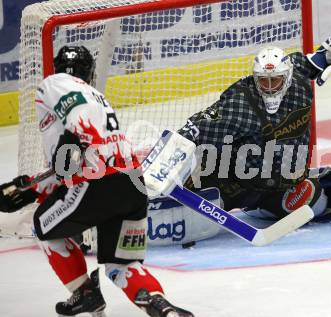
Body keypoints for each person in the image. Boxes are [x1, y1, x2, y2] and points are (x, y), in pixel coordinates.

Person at [0, 46, 193, 317]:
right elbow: (70, 164)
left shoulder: (54, 83)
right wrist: (31, 187)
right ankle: (161, 306)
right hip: (132, 186)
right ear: (90, 73)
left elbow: (77, 133)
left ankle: (85, 292)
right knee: (121, 265)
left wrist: (73, 141)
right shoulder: (99, 97)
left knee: (43, 226)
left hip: (97, 184)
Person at [175, 29, 331, 223]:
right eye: (263, 81)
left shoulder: (299, 78)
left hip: (279, 184)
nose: (269, 87)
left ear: (287, 76)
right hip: (235, 184)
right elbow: (197, 131)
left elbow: (325, 55)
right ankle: (246, 204)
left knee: (320, 202)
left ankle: (266, 205)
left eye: (275, 80)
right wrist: (169, 156)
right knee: (189, 220)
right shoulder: (240, 105)